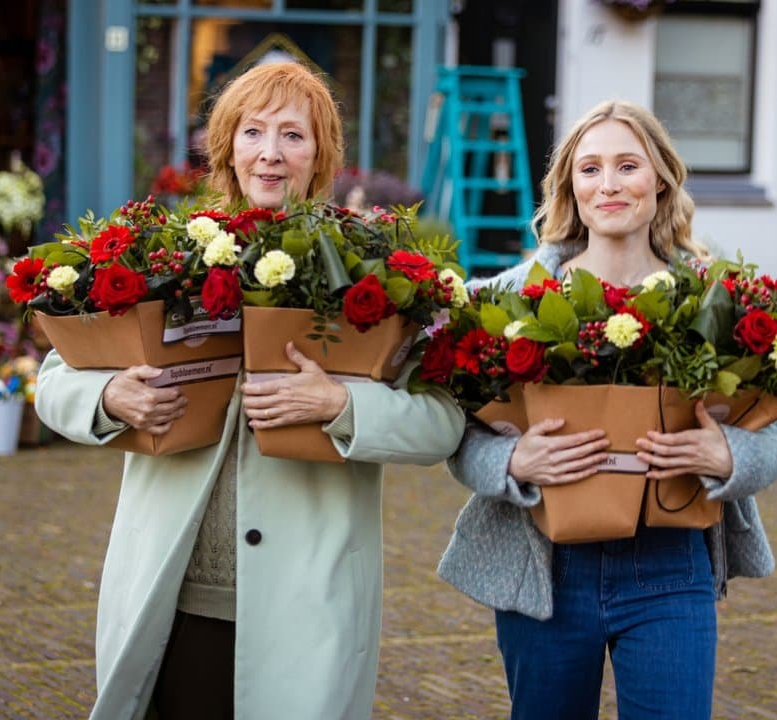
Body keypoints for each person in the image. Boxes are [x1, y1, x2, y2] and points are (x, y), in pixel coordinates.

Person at [35, 61, 465, 720]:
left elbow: (442, 423)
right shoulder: (165, 256)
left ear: (320, 153)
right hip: (173, 594)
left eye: (293, 135)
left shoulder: (368, 273)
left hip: (304, 603)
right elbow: (55, 376)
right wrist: (111, 396)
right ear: (227, 146)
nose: (271, 152)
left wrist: (340, 405)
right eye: (253, 131)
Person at [436, 100, 777, 720]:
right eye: (590, 169)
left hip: (671, 563)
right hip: (546, 567)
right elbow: (456, 431)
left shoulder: (714, 301)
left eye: (627, 166)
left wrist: (729, 454)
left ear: (661, 180)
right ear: (570, 188)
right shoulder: (505, 299)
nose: (608, 184)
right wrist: (512, 459)